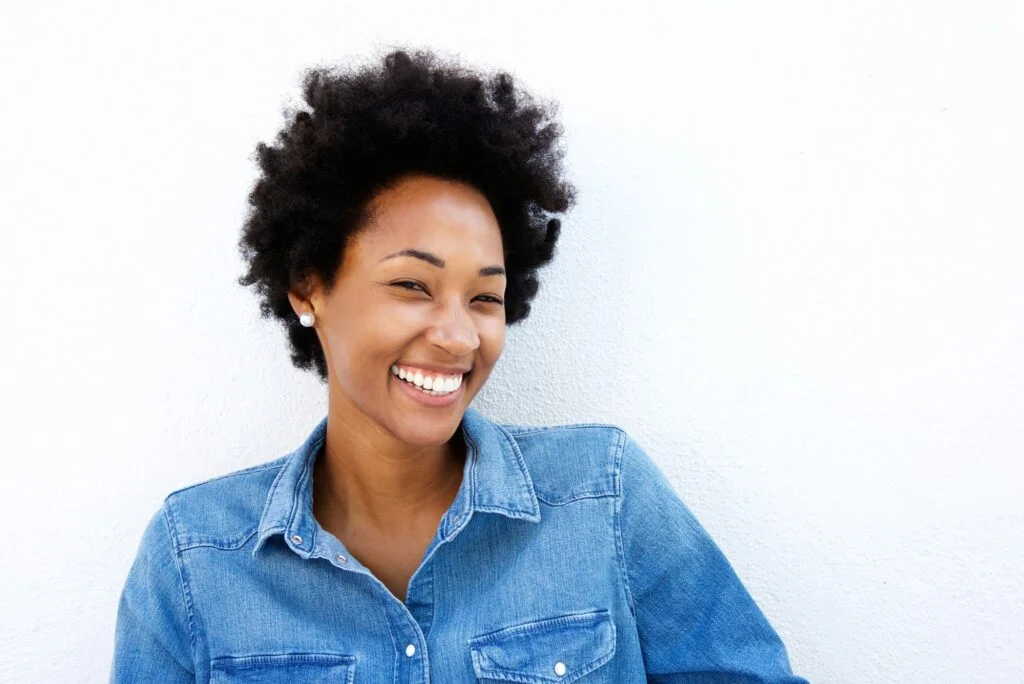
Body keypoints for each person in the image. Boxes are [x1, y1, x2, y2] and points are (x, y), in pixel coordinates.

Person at [110, 48, 807, 683]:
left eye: (484, 298)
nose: (457, 337)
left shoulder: (603, 496)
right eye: (413, 285)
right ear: (309, 287)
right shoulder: (193, 558)